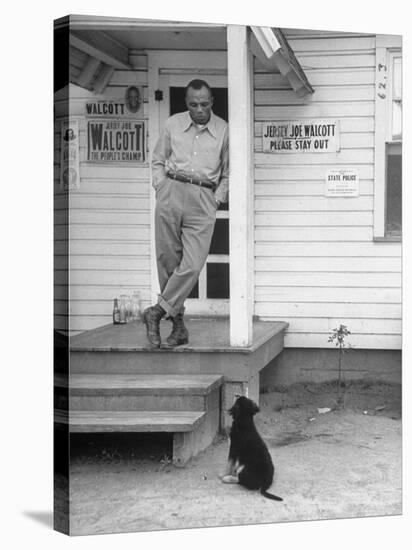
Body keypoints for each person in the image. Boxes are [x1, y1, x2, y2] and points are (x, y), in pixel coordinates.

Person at [143, 79, 229, 348]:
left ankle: (157, 311)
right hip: (171, 191)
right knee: (168, 260)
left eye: (204, 104)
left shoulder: (223, 130)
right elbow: (157, 159)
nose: (199, 109)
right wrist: (161, 185)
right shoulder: (172, 124)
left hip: (203, 197)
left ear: (212, 102)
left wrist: (216, 199)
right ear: (187, 103)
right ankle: (178, 328)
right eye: (193, 104)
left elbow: (229, 172)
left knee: (191, 264)